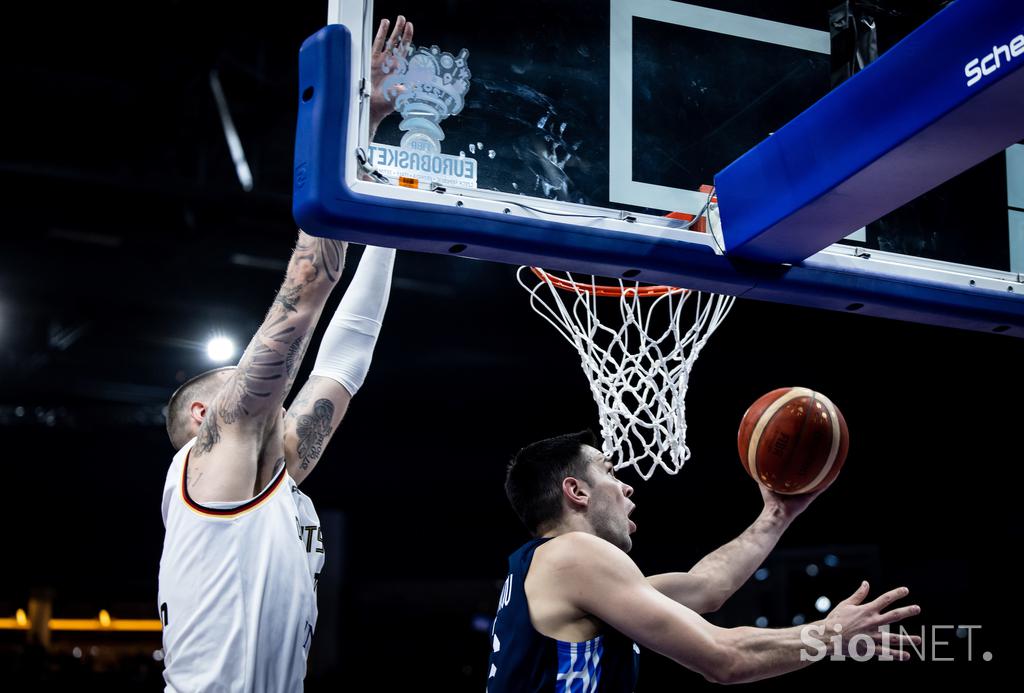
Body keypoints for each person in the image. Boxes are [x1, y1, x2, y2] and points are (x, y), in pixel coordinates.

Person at [157, 16, 413, 692]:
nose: (260, 387)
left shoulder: (274, 477)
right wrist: (352, 122)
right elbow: (308, 290)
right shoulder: (207, 459)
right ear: (207, 412)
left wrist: (387, 198)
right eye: (235, 379)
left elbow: (346, 359)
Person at [487, 430, 922, 690]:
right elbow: (723, 657)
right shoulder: (572, 553)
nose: (626, 488)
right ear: (576, 492)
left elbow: (706, 588)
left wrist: (778, 513)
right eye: (609, 471)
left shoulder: (554, 573)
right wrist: (829, 634)